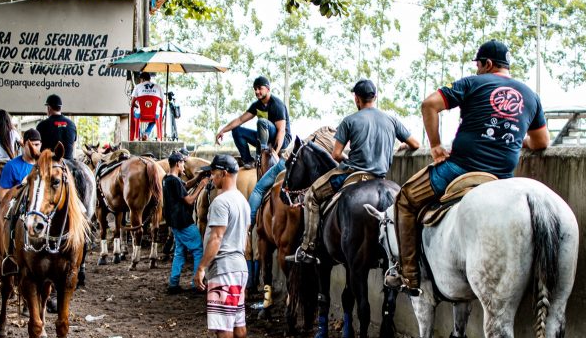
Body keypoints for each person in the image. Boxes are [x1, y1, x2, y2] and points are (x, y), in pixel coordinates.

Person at [395, 39, 550, 295]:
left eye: (479, 65)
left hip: (460, 169)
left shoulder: (472, 83)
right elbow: (541, 142)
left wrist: (435, 146)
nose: (478, 69)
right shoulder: (531, 96)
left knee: (405, 199)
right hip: (501, 178)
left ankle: (409, 276)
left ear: (487, 64)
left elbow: (429, 105)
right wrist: (511, 137)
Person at [287, 79, 421, 264]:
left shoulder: (349, 121)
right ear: (375, 97)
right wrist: (401, 147)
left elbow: (336, 153)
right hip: (379, 176)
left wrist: (347, 160)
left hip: (352, 173)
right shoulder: (392, 120)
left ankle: (308, 248)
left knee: (311, 196)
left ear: (357, 99)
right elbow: (415, 144)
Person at [193, 154, 251, 338]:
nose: (211, 177)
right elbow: (245, 238)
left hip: (224, 266)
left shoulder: (221, 202)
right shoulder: (243, 202)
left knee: (222, 322)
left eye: (213, 173)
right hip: (239, 266)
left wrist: (201, 267)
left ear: (224, 173)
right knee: (237, 318)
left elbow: (216, 237)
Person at [215, 76, 291, 169]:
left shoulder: (277, 105)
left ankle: (261, 155)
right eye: (255, 89)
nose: (257, 91)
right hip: (264, 137)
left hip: (282, 139)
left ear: (268, 89)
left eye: (260, 88)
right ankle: (248, 161)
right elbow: (240, 120)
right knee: (237, 130)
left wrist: (274, 154)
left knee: (262, 122)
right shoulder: (257, 105)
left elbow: (282, 131)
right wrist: (223, 130)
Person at [163, 151, 209, 294]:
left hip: (174, 223)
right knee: (198, 250)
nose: (184, 166)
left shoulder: (167, 179)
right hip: (184, 222)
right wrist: (201, 185)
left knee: (179, 252)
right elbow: (189, 200)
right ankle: (197, 284)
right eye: (183, 163)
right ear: (178, 163)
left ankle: (173, 283)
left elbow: (185, 186)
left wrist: (198, 177)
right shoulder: (175, 181)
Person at [0, 129, 42, 201]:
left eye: (37, 145)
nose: (33, 148)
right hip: (19, 209)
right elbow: (2, 196)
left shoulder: (45, 165)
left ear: (41, 145)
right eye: (30, 145)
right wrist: (21, 189)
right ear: (23, 145)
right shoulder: (11, 166)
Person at [37, 94, 77, 160]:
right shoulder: (72, 124)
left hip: (49, 164)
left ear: (49, 108)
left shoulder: (42, 125)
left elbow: (38, 146)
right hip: (69, 165)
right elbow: (73, 144)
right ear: (60, 108)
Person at [131, 72, 164, 140]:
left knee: (134, 116)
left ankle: (138, 135)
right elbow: (162, 103)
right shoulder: (158, 87)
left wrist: (138, 106)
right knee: (156, 117)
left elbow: (132, 103)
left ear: (142, 79)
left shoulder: (137, 86)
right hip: (154, 115)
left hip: (140, 114)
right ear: (150, 79)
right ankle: (146, 133)